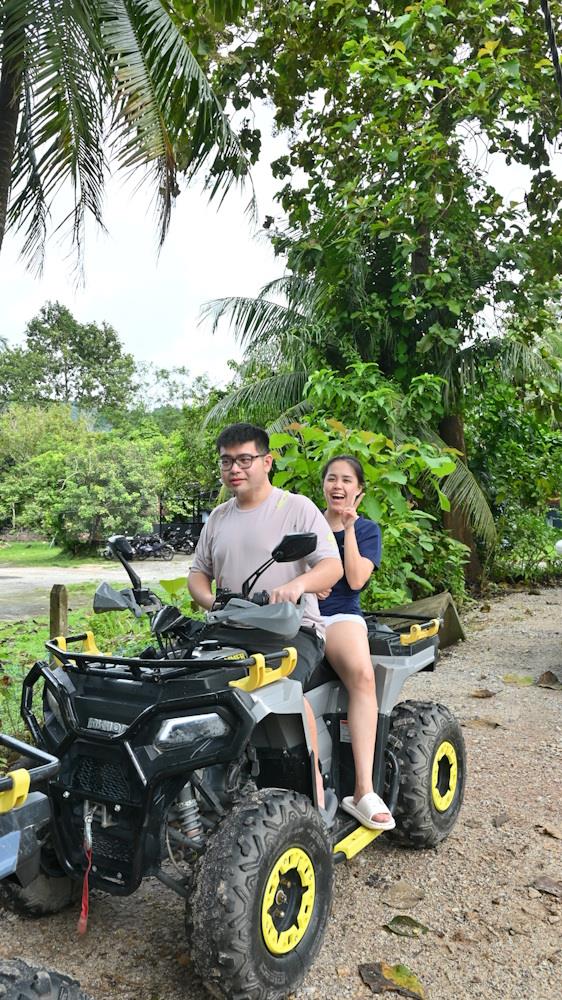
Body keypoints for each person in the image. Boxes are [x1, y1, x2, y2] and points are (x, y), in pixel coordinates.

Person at [188, 422, 343, 811]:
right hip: (229, 631)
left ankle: (314, 793)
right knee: (186, 689)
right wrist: (211, 601)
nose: (234, 469)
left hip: (291, 632)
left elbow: (331, 567)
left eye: (244, 459)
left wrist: (298, 585)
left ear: (267, 461)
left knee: (278, 692)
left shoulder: (295, 508)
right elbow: (198, 574)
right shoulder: (218, 518)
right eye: (226, 461)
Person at [318, 455, 395, 831]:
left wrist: (348, 528)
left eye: (346, 480)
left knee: (363, 678)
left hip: (340, 616)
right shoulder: (308, 523)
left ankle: (363, 789)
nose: (338, 486)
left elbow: (355, 579)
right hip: (300, 613)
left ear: (359, 490)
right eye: (332, 478)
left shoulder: (366, 530)